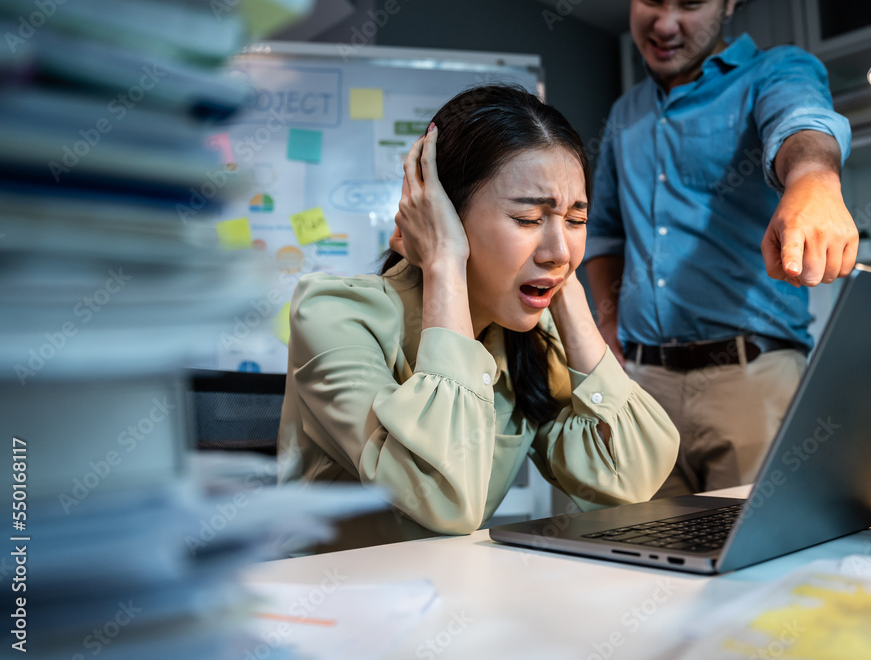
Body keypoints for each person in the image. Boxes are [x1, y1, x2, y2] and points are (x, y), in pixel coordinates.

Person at [278, 84, 679, 539]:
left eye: (576, 220)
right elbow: (444, 502)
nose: (560, 249)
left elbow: (630, 482)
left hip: (450, 596)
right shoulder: (334, 313)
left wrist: (567, 294)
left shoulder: (525, 337)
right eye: (529, 219)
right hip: (333, 600)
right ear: (441, 214)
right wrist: (444, 261)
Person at [584, 0, 856, 496]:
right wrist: (607, 320)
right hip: (640, 387)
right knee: (638, 560)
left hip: (751, 382)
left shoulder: (775, 70)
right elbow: (603, 231)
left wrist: (813, 177)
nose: (665, 24)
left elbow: (801, 118)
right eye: (650, 1)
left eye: (689, 4)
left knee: (758, 566)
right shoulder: (626, 112)